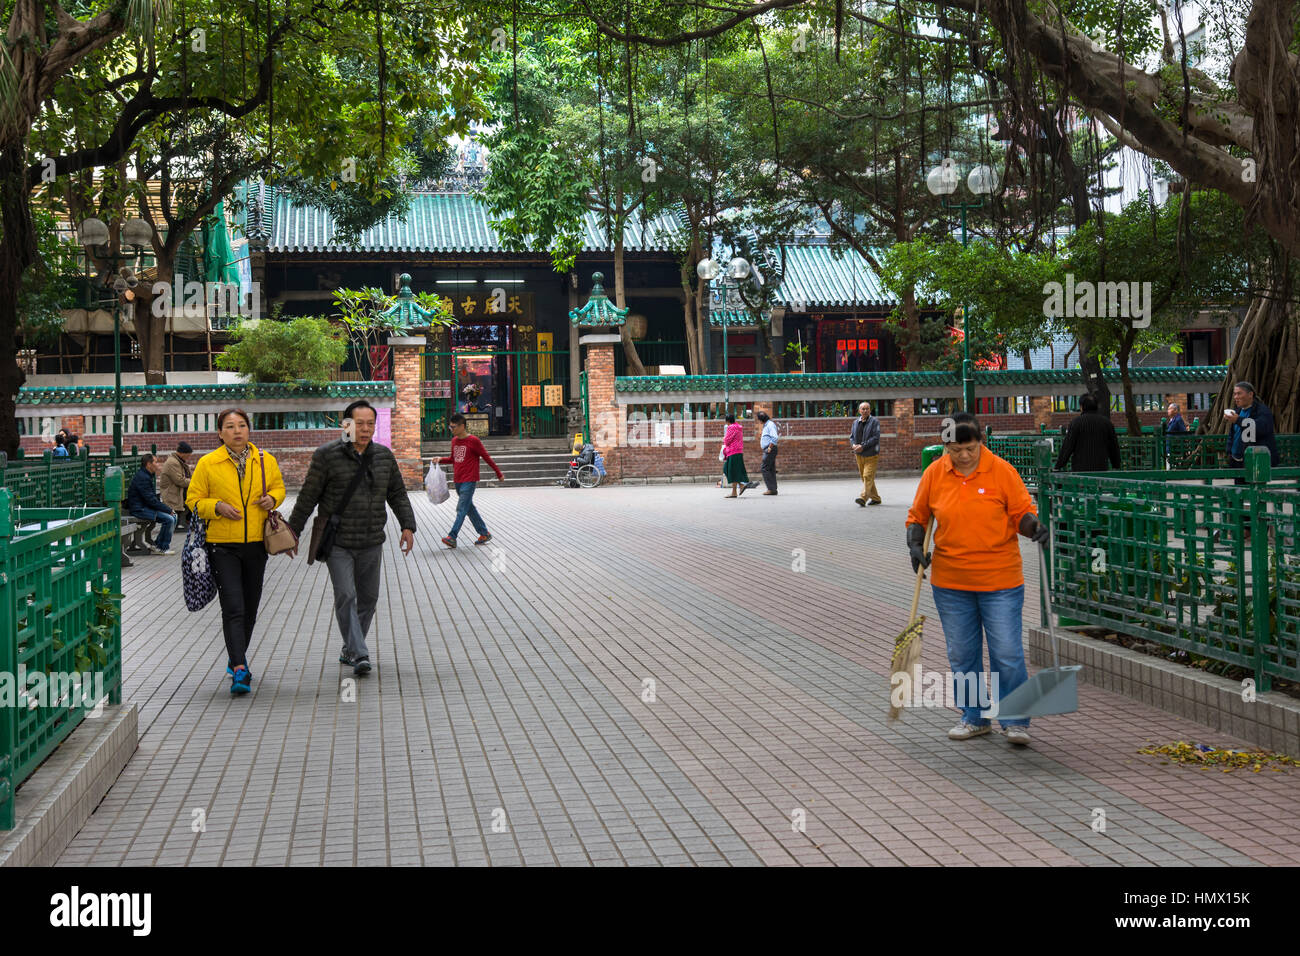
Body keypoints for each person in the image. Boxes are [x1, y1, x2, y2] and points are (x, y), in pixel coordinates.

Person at [905, 412, 1049, 746]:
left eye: (969, 448)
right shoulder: (934, 474)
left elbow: (1021, 514)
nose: (964, 456)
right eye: (956, 449)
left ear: (980, 442)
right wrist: (914, 544)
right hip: (951, 581)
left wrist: (1033, 529)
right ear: (946, 446)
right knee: (962, 653)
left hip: (1000, 580)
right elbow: (919, 516)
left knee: (1007, 651)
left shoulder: (1001, 471)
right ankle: (974, 716)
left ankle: (1015, 720)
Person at [289, 400, 416, 676]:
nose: (366, 429)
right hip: (338, 542)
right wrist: (292, 532)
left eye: (370, 423)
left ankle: (349, 647)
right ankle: (359, 653)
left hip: (372, 540)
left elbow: (397, 493)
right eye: (359, 423)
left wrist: (408, 525)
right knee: (346, 594)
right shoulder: (327, 456)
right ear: (346, 424)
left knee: (368, 598)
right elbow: (308, 497)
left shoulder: (383, 456)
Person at [186, 408, 286, 696]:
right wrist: (216, 506)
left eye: (242, 425)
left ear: (249, 429)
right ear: (220, 433)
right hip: (221, 546)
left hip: (256, 544)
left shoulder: (264, 460)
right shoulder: (208, 463)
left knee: (251, 609)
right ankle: (240, 668)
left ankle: (235, 656)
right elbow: (193, 500)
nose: (237, 431)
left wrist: (272, 499)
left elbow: (278, 487)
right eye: (229, 426)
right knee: (233, 606)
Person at [439, 412, 505, 548]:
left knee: (461, 508)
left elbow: (486, 457)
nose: (451, 430)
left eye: (453, 427)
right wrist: (440, 460)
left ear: (462, 426)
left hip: (469, 480)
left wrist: (498, 473)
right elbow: (453, 459)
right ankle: (484, 533)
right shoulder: (454, 441)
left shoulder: (474, 441)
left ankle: (452, 536)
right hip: (458, 480)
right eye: (450, 427)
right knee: (469, 508)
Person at [1054, 393, 1121, 472]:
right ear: (1097, 406)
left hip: (1080, 469)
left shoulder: (1076, 422)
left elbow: (1067, 447)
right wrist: (1116, 464)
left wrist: (1058, 466)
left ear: (1081, 406)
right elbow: (1113, 446)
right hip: (1101, 468)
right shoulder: (1106, 423)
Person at [126, 454, 177, 556]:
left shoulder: (146, 475)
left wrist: (167, 509)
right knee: (170, 519)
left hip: (145, 507)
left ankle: (158, 545)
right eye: (155, 462)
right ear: (149, 464)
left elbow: (151, 499)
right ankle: (162, 547)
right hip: (140, 509)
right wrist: (167, 509)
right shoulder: (143, 477)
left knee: (174, 516)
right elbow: (151, 500)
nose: (157, 465)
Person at [1225, 381, 1279, 471]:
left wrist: (1238, 420)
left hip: (1255, 460)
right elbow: (1233, 434)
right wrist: (1229, 451)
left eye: (1239, 394)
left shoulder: (1262, 411)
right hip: (1236, 461)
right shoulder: (1237, 411)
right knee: (1238, 485)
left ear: (1250, 394)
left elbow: (1260, 428)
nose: (1236, 397)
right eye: (1234, 394)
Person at [850, 401, 882, 506]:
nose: (865, 410)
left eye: (867, 409)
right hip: (858, 455)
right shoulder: (855, 423)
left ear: (870, 410)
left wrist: (862, 446)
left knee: (867, 476)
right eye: (863, 409)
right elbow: (852, 437)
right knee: (865, 477)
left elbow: (875, 437)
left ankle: (863, 498)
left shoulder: (875, 422)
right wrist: (854, 445)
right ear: (859, 411)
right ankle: (876, 498)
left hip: (871, 454)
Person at [159, 441, 194, 531]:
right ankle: (186, 521)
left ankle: (187, 521)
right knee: (193, 500)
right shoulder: (173, 462)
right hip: (172, 494)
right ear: (182, 453)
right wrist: (195, 482)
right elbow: (180, 481)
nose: (189, 457)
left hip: (178, 492)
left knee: (194, 497)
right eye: (188, 455)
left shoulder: (178, 461)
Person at [720, 413, 756, 498]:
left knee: (729, 470)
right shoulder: (738, 427)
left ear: (727, 421)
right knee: (733, 470)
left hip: (733, 451)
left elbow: (727, 440)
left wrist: (724, 439)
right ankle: (738, 488)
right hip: (738, 451)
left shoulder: (731, 427)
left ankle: (736, 490)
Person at [757, 410, 779, 495]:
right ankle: (773, 489)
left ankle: (771, 488)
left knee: (764, 468)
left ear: (761, 419)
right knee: (770, 469)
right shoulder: (767, 425)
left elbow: (774, 437)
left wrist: (769, 447)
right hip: (769, 449)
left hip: (770, 449)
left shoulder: (770, 425)